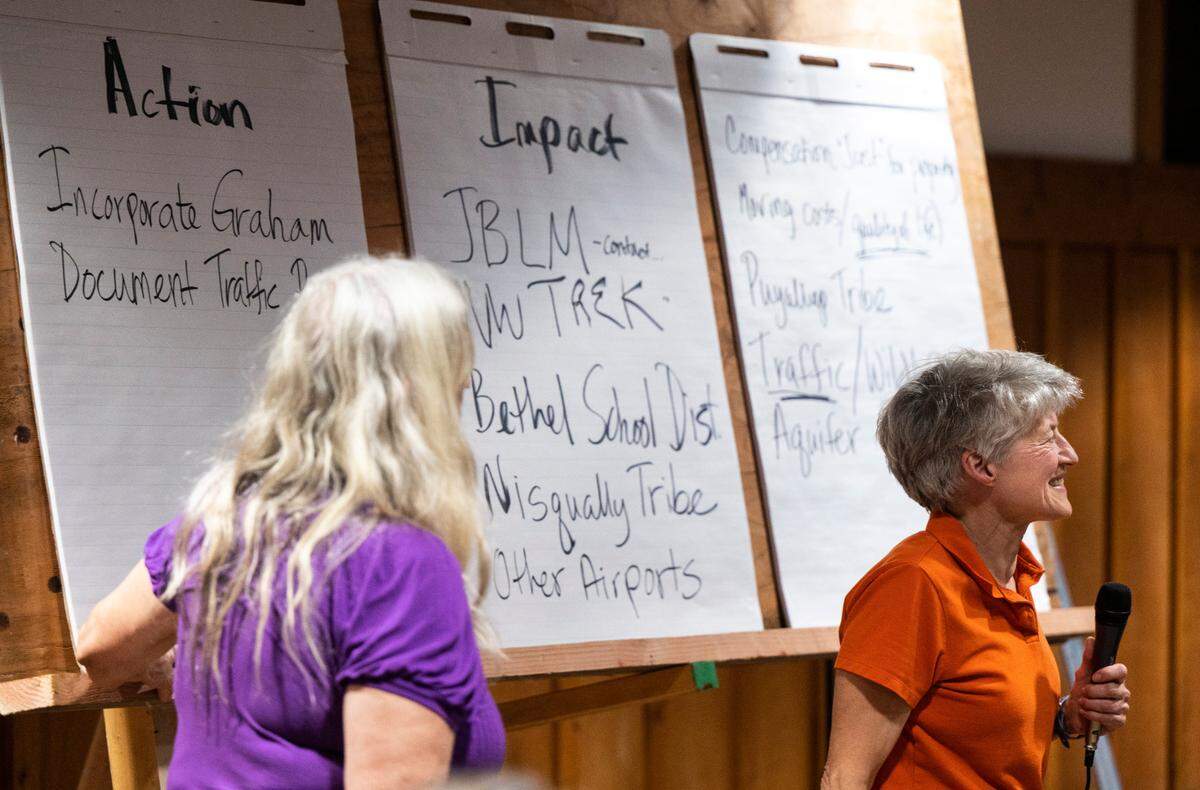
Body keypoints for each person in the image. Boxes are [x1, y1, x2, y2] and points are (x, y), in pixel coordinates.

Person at [75, 257, 505, 788]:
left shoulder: (219, 523)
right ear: (418, 395)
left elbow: (100, 649)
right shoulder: (399, 563)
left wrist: (167, 661)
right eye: (456, 380)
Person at [821, 349, 1131, 789]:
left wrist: (1068, 716)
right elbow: (844, 776)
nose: (1070, 455)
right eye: (1048, 437)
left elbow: (972, 730)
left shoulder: (1009, 576)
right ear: (981, 465)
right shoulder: (913, 583)